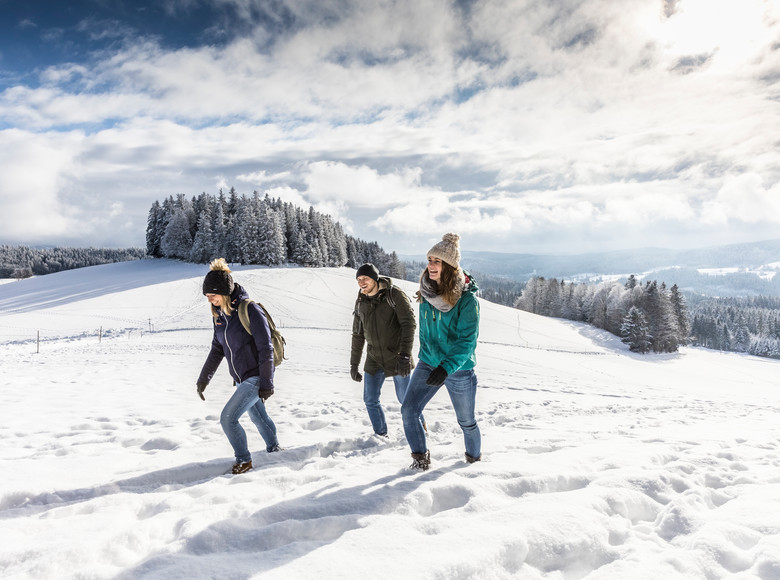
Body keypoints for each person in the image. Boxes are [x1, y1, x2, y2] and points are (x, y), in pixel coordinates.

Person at [401, 233, 481, 470]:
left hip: (458, 369)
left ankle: (473, 463)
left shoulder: (467, 300)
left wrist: (446, 367)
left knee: (466, 421)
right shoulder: (426, 291)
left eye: (437, 261)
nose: (431, 265)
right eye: (429, 259)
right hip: (428, 362)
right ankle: (420, 459)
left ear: (449, 266)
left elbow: (467, 341)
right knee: (408, 410)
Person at [195, 258, 280, 474]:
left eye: (212, 295)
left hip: (256, 376)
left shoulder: (250, 310)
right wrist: (204, 379)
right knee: (258, 417)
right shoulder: (220, 316)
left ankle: (244, 460)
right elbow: (217, 349)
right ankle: (275, 449)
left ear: (223, 291)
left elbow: (266, 348)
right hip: (242, 378)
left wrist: (267, 383)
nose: (209, 300)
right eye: (207, 296)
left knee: (228, 418)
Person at [350, 262, 421, 437]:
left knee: (406, 401)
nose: (361, 282)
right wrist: (354, 364)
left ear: (375, 278)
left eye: (365, 278)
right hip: (373, 357)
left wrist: (405, 355)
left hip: (397, 356)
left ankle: (420, 428)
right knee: (370, 400)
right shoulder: (361, 301)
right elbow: (358, 334)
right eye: (358, 279)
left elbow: (409, 324)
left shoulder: (394, 295)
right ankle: (380, 435)